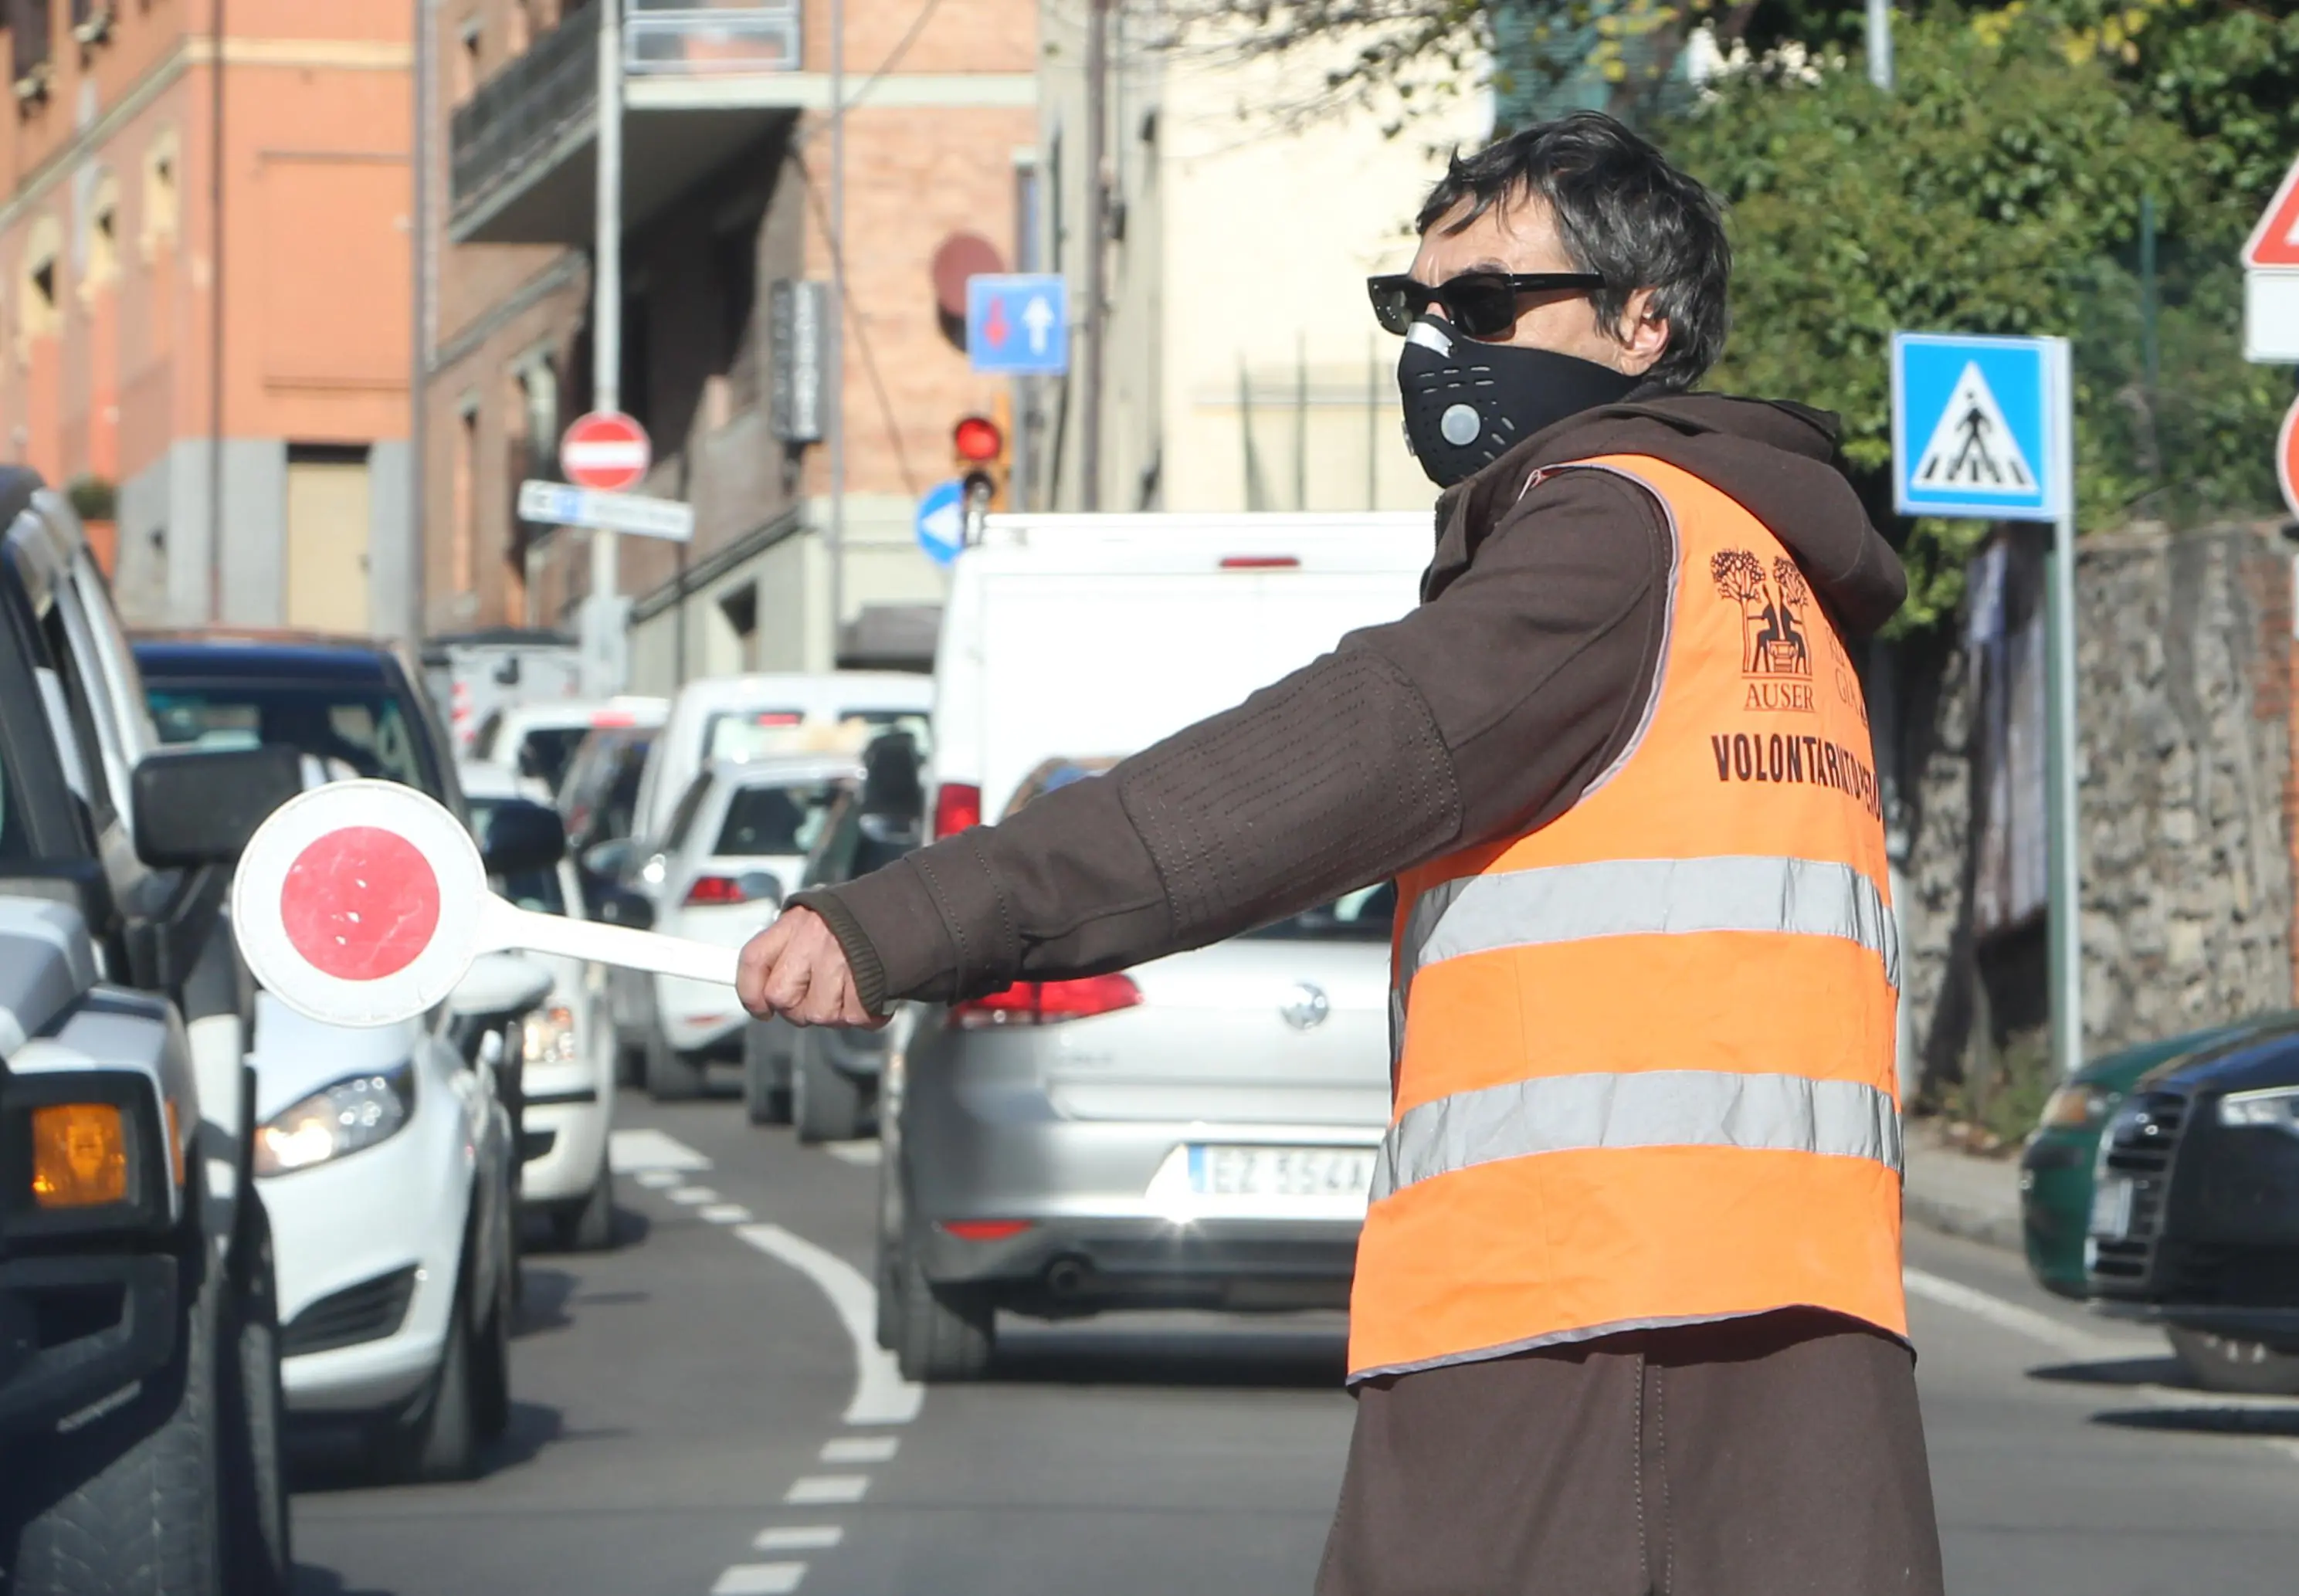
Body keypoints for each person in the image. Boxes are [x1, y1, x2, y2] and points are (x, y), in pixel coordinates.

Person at [737, 110, 1941, 1595]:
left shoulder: (1612, 541)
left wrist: (909, 919)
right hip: (1792, 1326)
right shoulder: (1759, 568)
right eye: (1414, 308)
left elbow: (1299, 776)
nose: (1438, 345)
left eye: (1488, 305)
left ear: (1646, 325)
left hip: (1584, 1318)